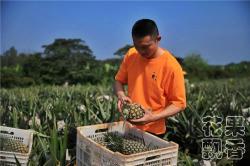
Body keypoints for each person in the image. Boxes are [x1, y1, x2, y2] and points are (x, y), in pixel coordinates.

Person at [114, 19, 186, 137]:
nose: (141, 51)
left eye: (146, 47)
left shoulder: (171, 66)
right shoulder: (131, 54)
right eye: (137, 46)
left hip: (153, 131)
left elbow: (179, 104)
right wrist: (121, 95)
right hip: (127, 125)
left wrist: (152, 117)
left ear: (158, 39)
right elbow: (118, 81)